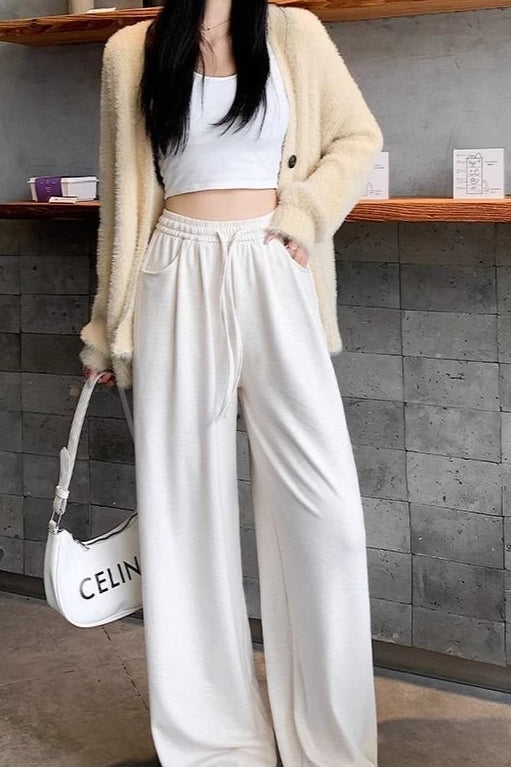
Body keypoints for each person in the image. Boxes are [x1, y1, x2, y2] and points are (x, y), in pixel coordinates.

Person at [80, 1, 384, 765]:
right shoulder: (131, 51)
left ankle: (329, 742)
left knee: (326, 513)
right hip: (171, 270)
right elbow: (122, 203)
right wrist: (105, 327)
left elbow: (356, 137)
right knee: (182, 511)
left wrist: (305, 212)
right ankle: (213, 742)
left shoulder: (292, 33)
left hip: (273, 261)